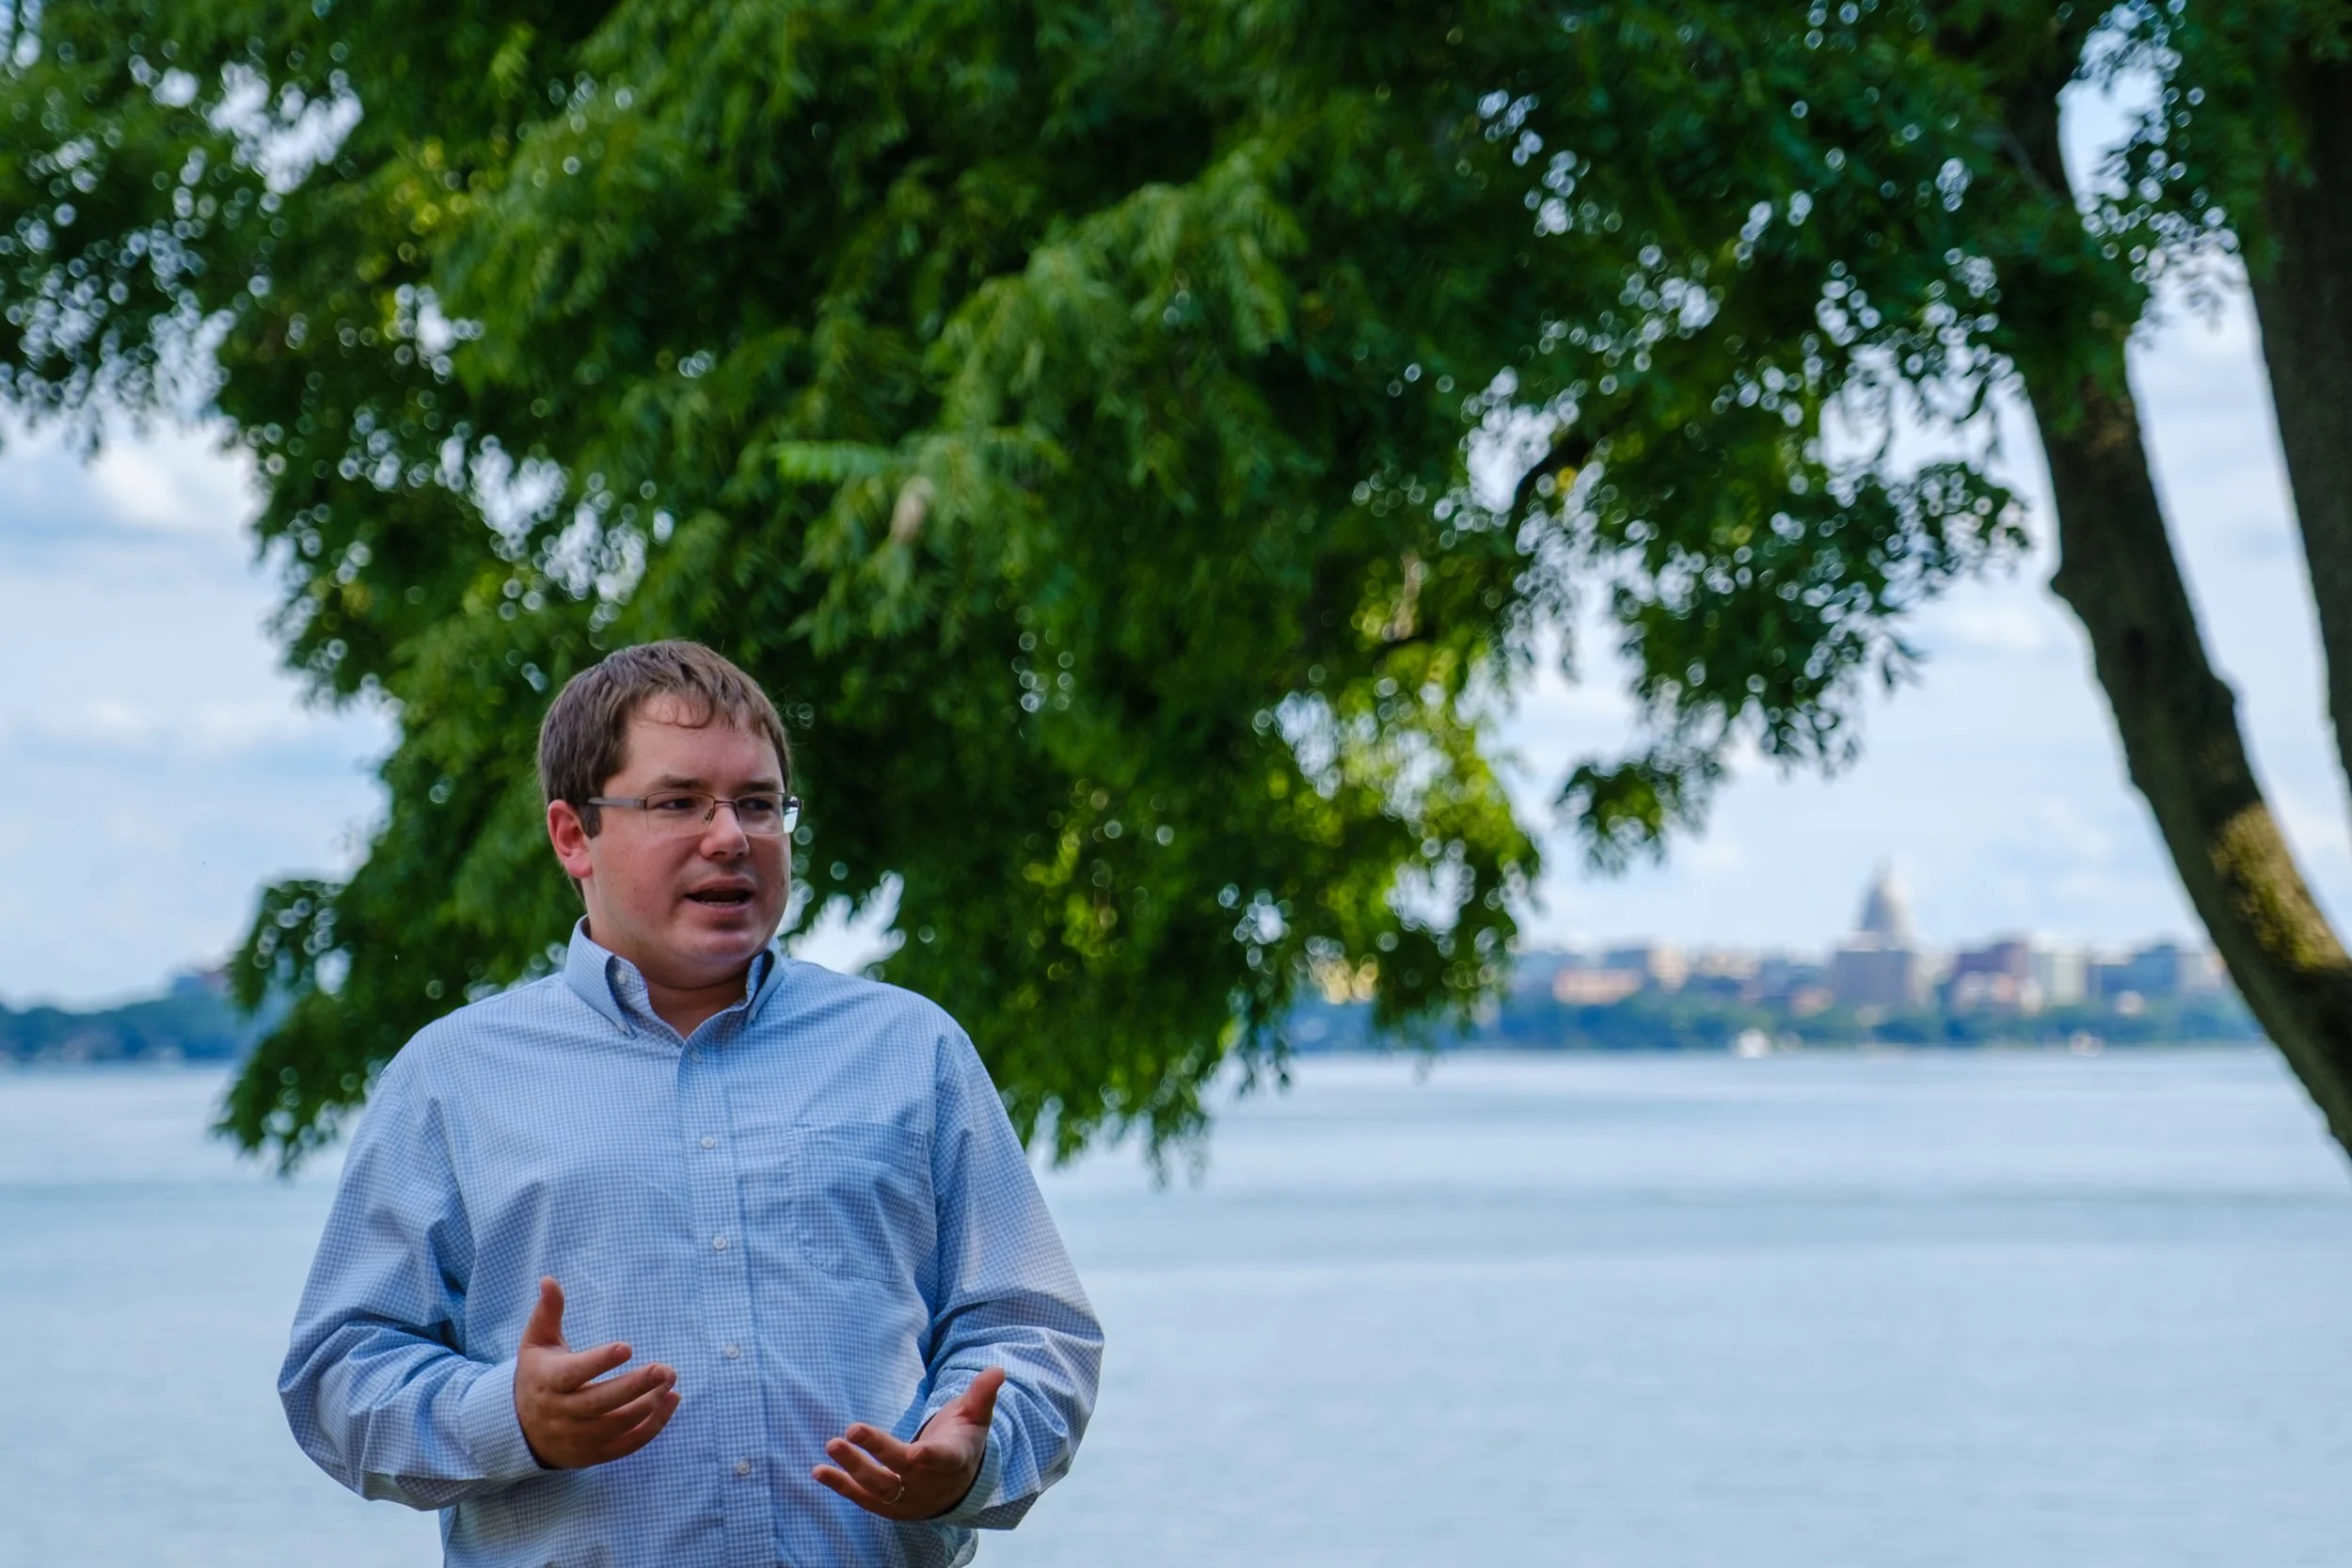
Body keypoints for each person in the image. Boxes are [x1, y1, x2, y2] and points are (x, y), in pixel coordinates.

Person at [280, 640, 1102, 1568]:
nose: (730, 836)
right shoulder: (451, 1076)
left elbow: (1033, 1332)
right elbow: (337, 1376)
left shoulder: (913, 1053)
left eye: (758, 803)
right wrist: (510, 1415)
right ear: (572, 835)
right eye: (678, 802)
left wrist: (971, 1462)